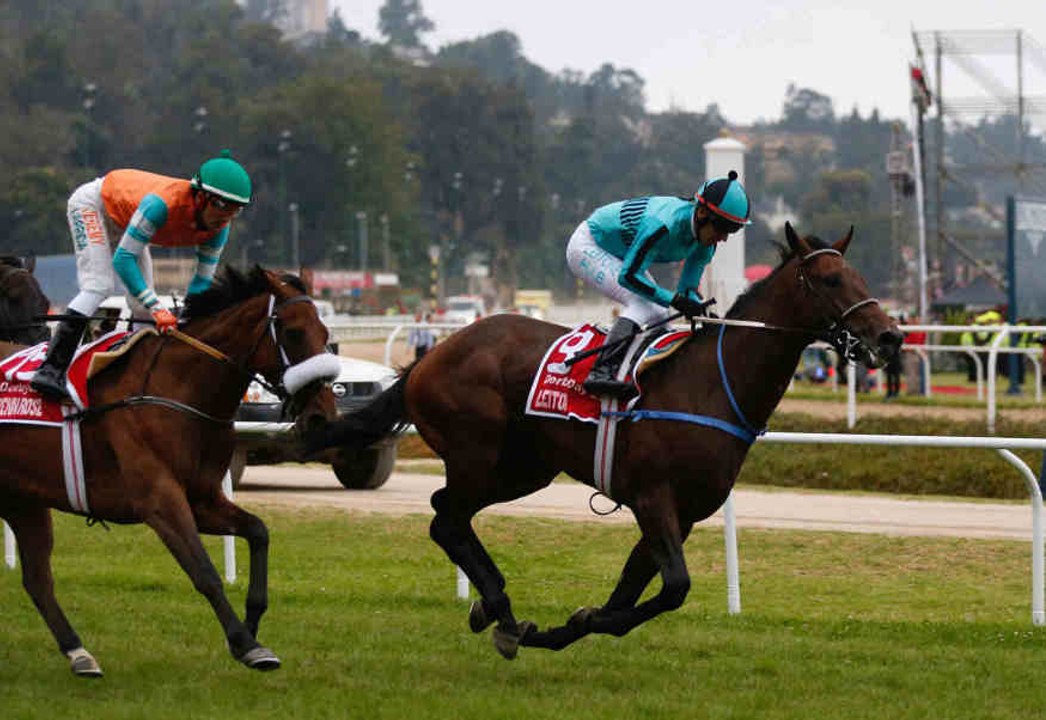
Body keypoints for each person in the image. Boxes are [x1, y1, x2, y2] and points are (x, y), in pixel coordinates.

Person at [31, 150, 251, 401]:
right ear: (200, 197)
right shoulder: (161, 206)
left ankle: (134, 378)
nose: (226, 217)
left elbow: (201, 283)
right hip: (94, 206)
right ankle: (50, 370)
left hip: (126, 220)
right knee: (98, 286)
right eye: (222, 205)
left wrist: (190, 320)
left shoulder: (219, 229)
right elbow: (123, 261)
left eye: (235, 210)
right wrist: (158, 307)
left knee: (142, 307)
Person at [566, 170, 751, 397]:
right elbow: (630, 277)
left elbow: (687, 291)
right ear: (702, 213)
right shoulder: (663, 224)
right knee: (643, 304)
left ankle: (648, 374)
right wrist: (676, 300)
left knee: (661, 315)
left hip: (623, 255)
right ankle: (600, 372)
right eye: (723, 227)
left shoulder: (706, 244)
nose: (723, 237)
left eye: (732, 230)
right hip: (589, 245)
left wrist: (703, 313)